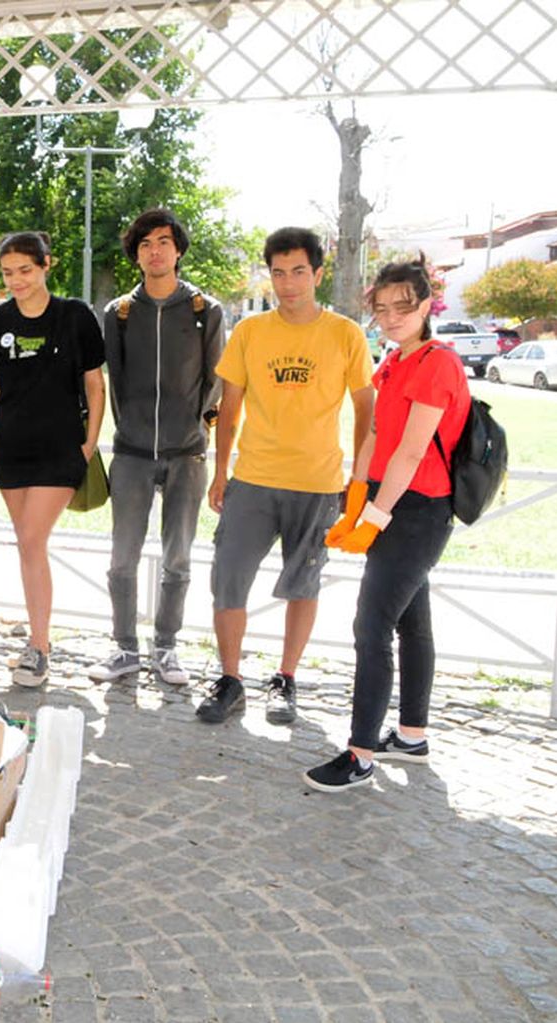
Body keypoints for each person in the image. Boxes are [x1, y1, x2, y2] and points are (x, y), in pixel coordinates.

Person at [304, 258, 471, 791]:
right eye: (383, 308)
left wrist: (373, 519)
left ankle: (360, 753)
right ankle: (412, 734)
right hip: (387, 501)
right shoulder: (394, 361)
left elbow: (411, 452)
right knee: (410, 623)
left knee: (371, 626)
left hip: (419, 510)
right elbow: (376, 436)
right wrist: (356, 499)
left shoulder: (438, 364)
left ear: (426, 305)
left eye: (405, 306)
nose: (393, 316)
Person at [200, 227, 374, 724]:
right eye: (278, 273)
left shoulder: (346, 334)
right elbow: (228, 409)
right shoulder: (251, 332)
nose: (288, 282)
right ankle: (230, 679)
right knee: (227, 581)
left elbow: (366, 408)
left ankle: (286, 678)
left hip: (318, 482)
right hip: (253, 478)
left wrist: (358, 479)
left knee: (303, 585)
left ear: (318, 273)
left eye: (298, 271)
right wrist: (221, 472)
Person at [88, 209, 225, 688]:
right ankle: (124, 647)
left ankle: (166, 648)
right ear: (137, 255)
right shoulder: (119, 313)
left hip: (187, 453)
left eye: (164, 241)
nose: (155, 250)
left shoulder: (205, 310)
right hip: (131, 453)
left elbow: (215, 380)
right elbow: (115, 382)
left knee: (178, 559)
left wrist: (196, 430)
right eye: (145, 243)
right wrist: (134, 433)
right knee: (121, 557)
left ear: (178, 249)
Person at [0, 231, 105, 686]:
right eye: (8, 273)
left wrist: (86, 445)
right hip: (10, 451)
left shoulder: (75, 316)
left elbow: (95, 385)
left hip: (60, 451)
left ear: (47, 264)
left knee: (30, 539)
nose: (17, 280)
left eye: (25, 270)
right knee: (29, 547)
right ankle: (38, 638)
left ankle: (40, 646)